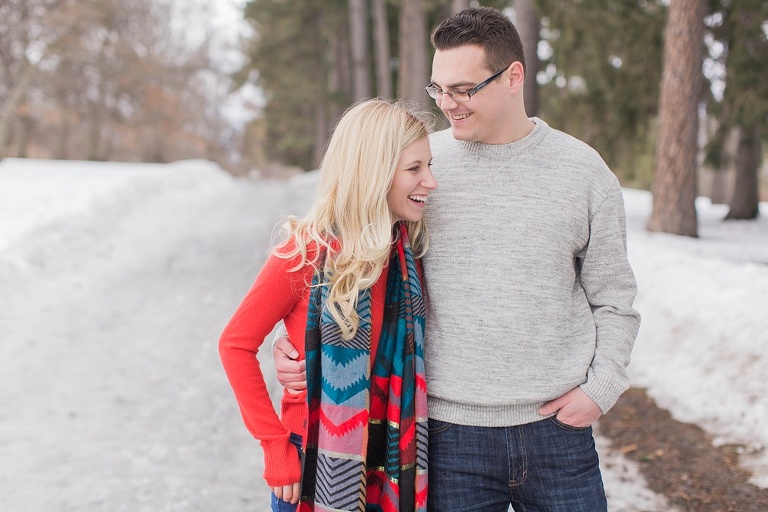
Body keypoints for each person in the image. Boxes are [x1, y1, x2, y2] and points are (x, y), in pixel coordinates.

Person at [274, 7, 641, 512]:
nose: (448, 104)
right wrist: (295, 337)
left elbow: (615, 297)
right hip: (447, 438)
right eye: (438, 89)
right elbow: (352, 260)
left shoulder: (582, 171)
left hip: (558, 432)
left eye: (464, 89)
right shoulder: (420, 165)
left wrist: (601, 388)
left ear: (514, 76)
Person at [219, 99, 437, 512]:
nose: (431, 181)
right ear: (372, 172)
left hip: (394, 458)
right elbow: (235, 344)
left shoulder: (407, 254)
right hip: (312, 459)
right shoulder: (306, 252)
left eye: (429, 166)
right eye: (415, 169)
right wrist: (274, 447)